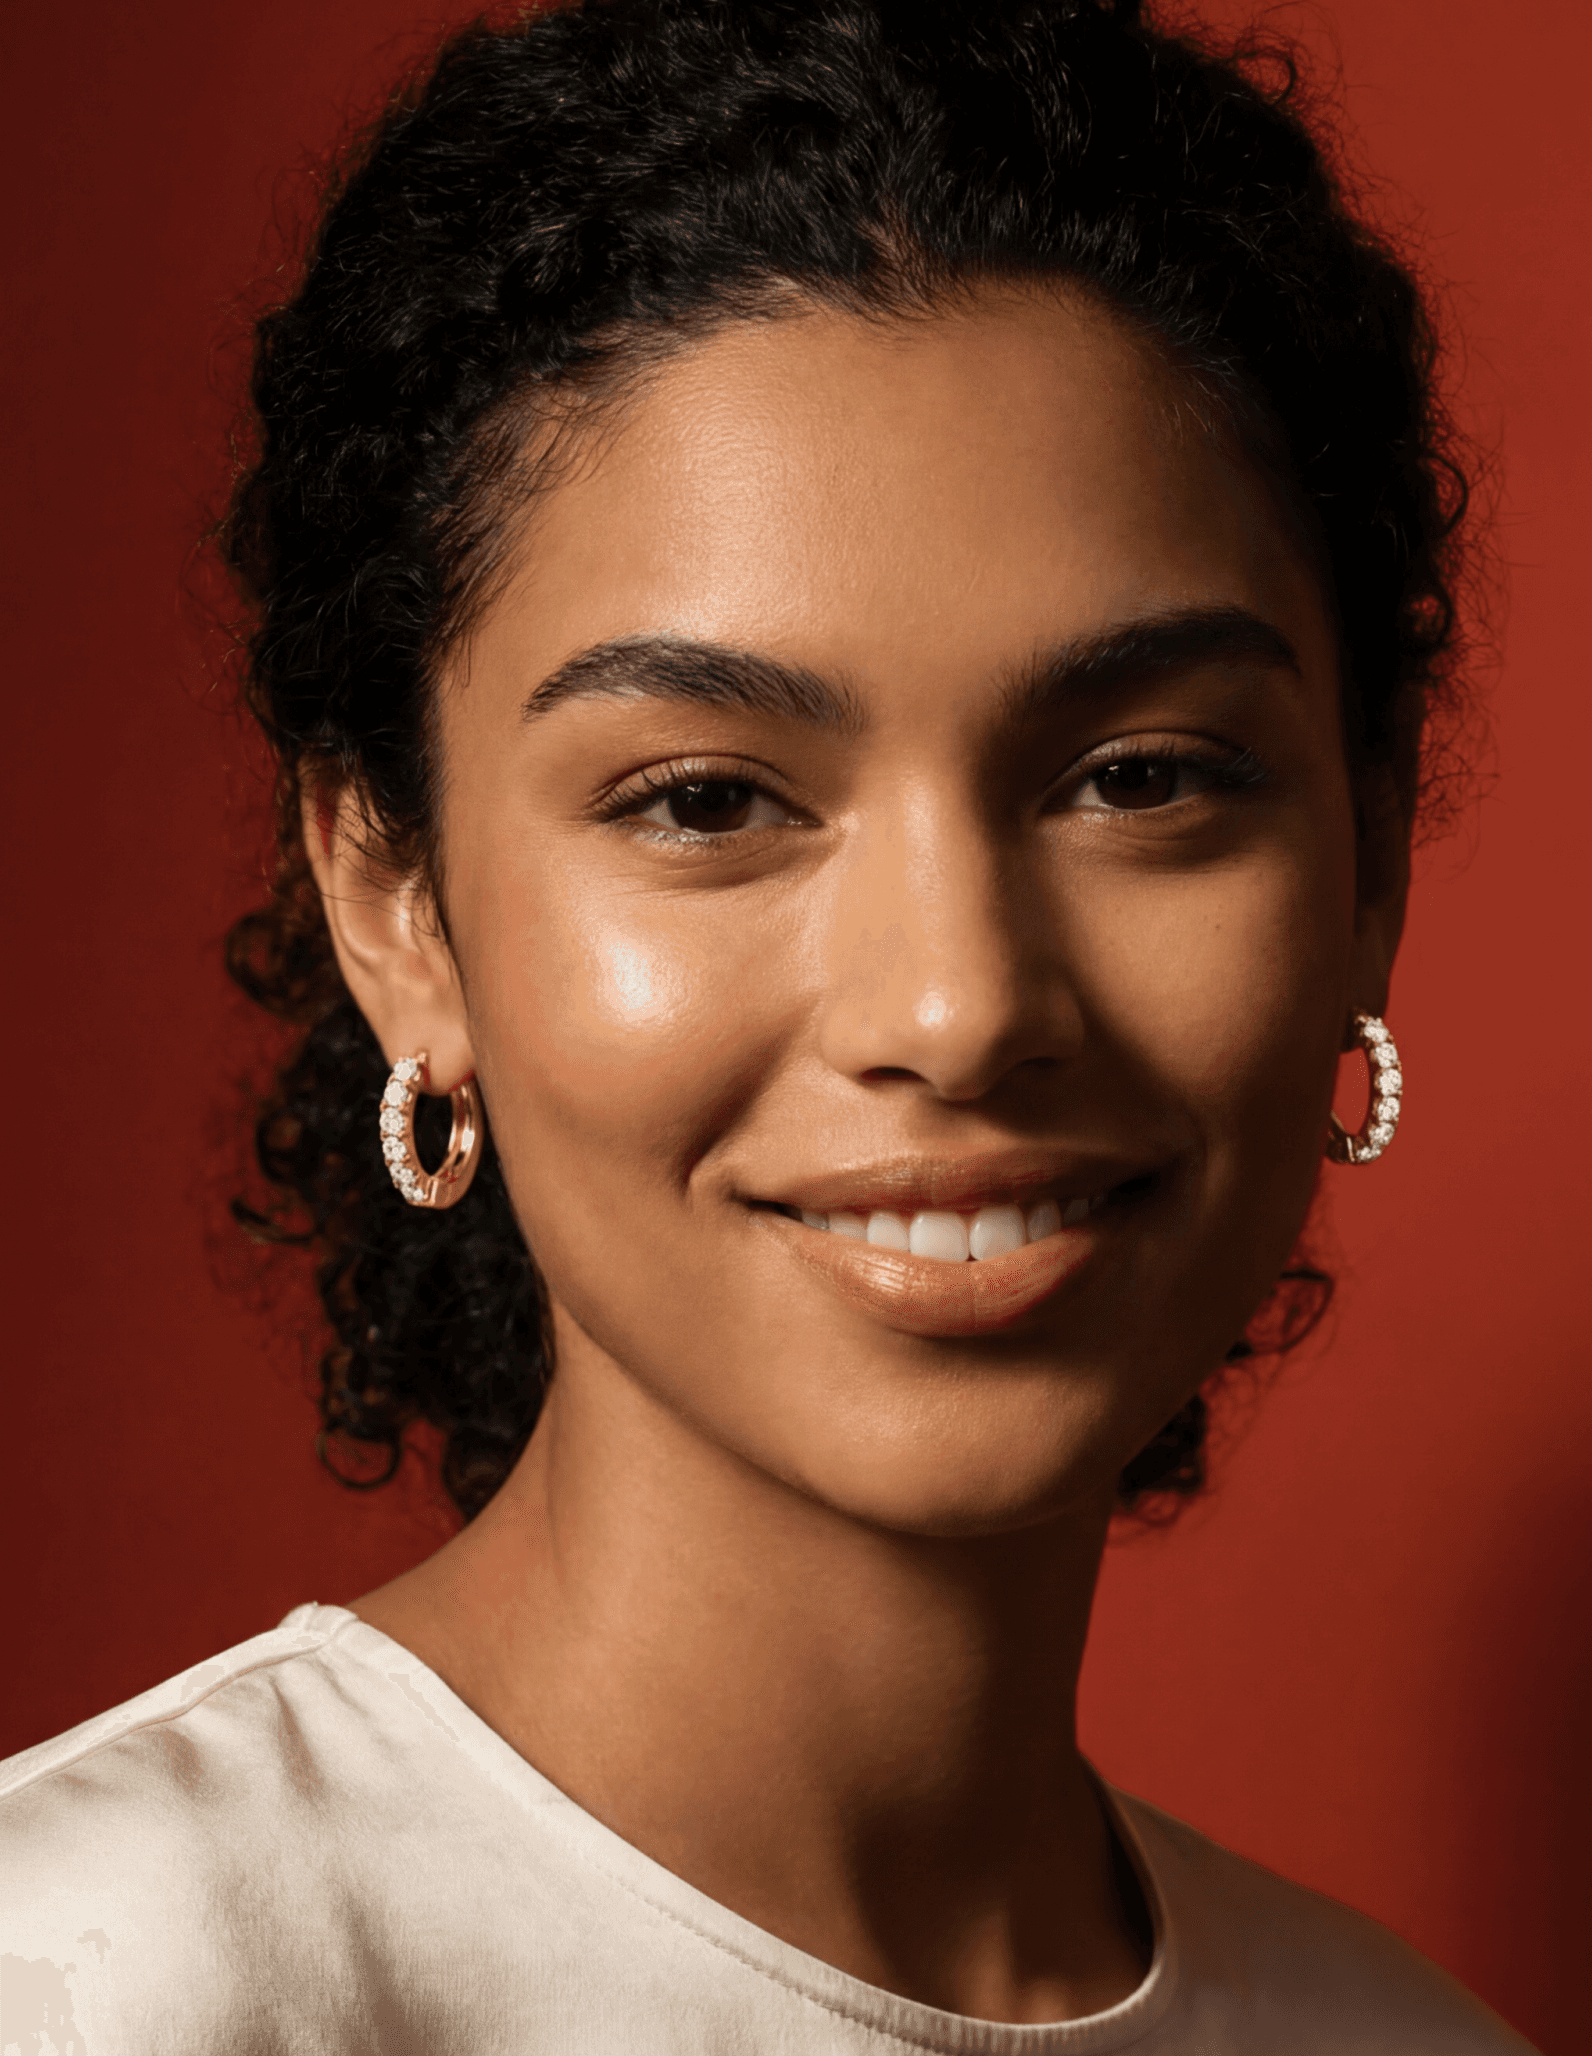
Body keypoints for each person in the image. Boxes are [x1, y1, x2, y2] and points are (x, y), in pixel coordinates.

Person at [0, 0, 1535, 2047]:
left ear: (1366, 872)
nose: (960, 1003)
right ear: (397, 903)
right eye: (706, 798)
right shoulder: (102, 1976)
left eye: (1141, 775)